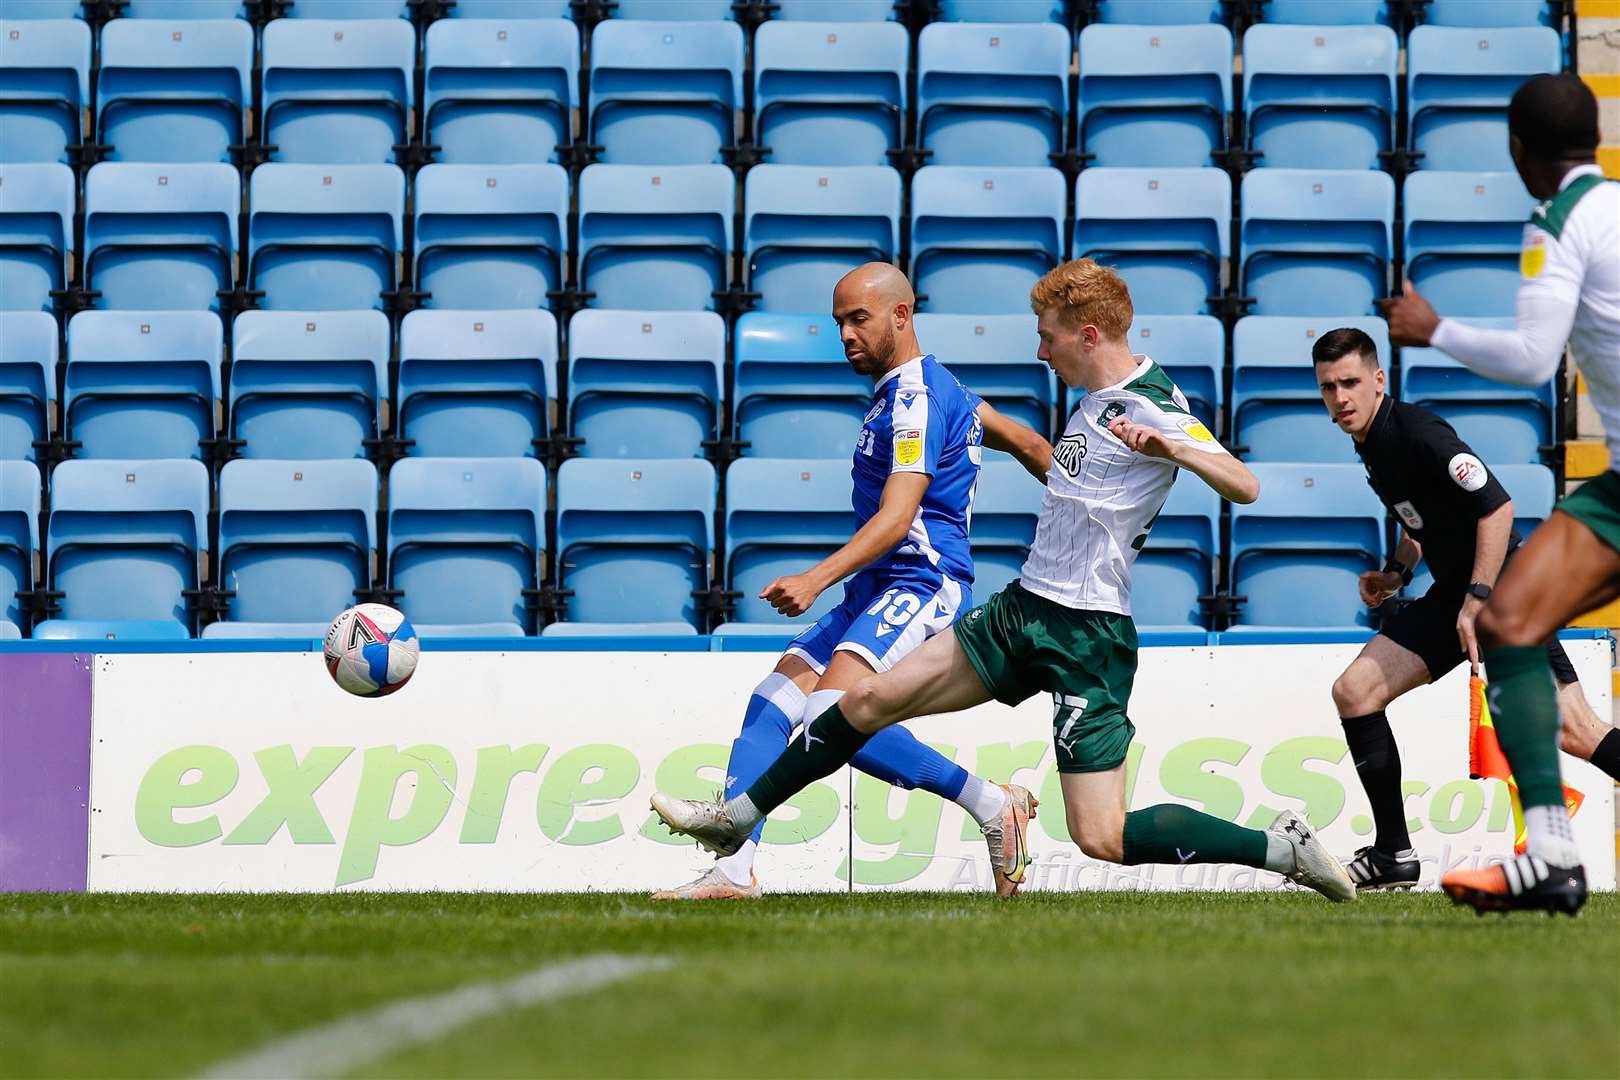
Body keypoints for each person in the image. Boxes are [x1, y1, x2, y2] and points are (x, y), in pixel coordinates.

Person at [652, 259, 1359, 903]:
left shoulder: (1150, 404)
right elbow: (1045, 455)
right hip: (1020, 612)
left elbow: (1246, 483)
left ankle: (1279, 849)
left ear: (1086, 334)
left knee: (1101, 837)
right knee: (862, 701)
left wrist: (1172, 445)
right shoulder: (1090, 398)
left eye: (1046, 336)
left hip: (1089, 634)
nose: (1038, 350)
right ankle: (736, 821)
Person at [653, 262, 1053, 900]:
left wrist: (814, 579)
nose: (845, 334)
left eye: (857, 319)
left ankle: (988, 801)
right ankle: (734, 872)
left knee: (830, 715)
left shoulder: (917, 399)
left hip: (922, 581)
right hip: (875, 588)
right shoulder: (930, 386)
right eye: (839, 321)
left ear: (901, 314)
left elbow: (898, 519)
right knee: (770, 705)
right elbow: (1028, 442)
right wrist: (1074, 501)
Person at [1381, 73, 1620, 914]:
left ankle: (1553, 854)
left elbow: (1530, 357)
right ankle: (1550, 859)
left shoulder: (1560, 221)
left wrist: (1430, 328)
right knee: (1512, 619)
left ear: (1521, 150)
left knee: (1508, 621)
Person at [1311, 326, 1609, 891]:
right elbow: (1420, 519)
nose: (1340, 397)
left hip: (1505, 590)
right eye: (1328, 387)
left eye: (1350, 382)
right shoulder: (1372, 443)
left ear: (1378, 380)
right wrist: (1396, 573)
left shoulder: (1418, 433)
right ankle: (1393, 855)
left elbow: (1496, 509)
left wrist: (1477, 599)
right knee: (1355, 693)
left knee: (1576, 730)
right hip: (1456, 593)